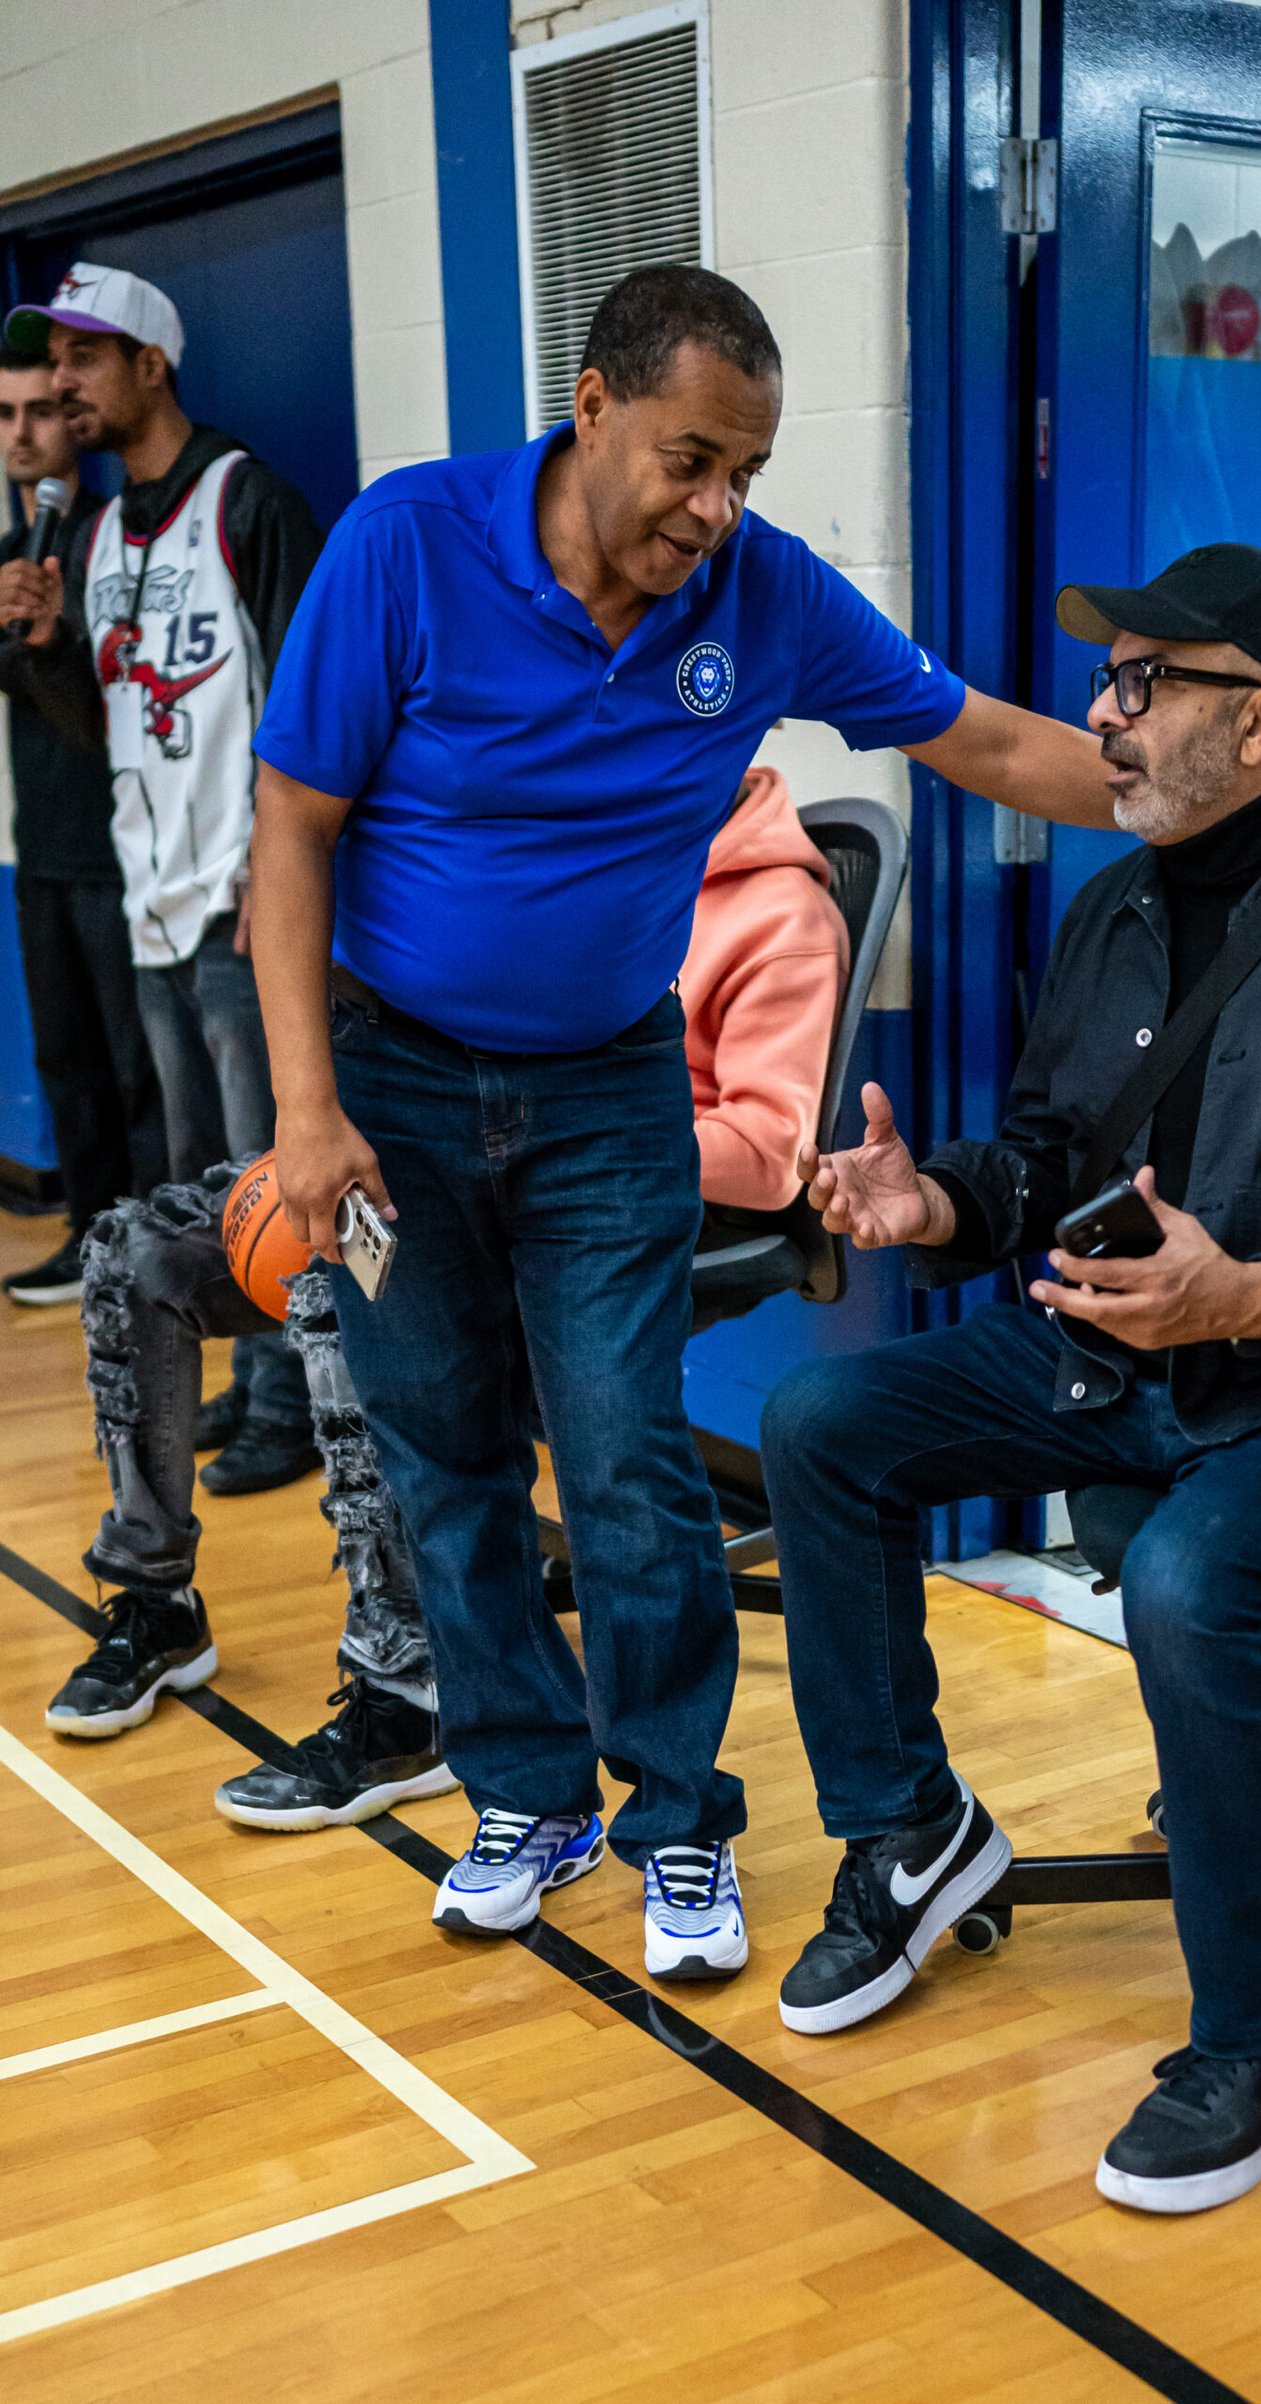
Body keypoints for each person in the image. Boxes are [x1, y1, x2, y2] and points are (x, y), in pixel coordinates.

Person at [247, 263, 1115, 1980]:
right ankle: (525, 1789)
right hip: (393, 1078)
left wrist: (1199, 788)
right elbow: (292, 826)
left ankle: (678, 1818)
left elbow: (990, 743)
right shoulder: (405, 546)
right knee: (445, 1454)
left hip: (606, 1084)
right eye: (692, 460)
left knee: (627, 1460)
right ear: (593, 409)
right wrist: (305, 1107)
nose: (716, 508)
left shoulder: (764, 595)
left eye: (747, 473)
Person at [760, 544, 1261, 2212]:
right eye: (1107, 680)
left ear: (1259, 717)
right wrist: (936, 1200)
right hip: (1120, 1351)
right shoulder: (1116, 906)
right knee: (823, 1424)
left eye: (1142, 681)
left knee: (1189, 1579)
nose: (1102, 716)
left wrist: (1248, 1293)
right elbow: (1051, 1159)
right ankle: (910, 1828)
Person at [48, 768, 850, 1857]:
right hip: (443, 1169)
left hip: (624, 1208)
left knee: (345, 1292)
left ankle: (407, 1688)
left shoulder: (779, 913)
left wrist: (557, 1142)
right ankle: (154, 1600)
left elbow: (764, 1154)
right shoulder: (562, 857)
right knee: (132, 1253)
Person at [0, 262, 321, 1491]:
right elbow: (105, 729)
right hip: (152, 905)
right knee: (206, 1185)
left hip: (244, 907)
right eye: (55, 361)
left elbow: (319, 706)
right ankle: (257, 1382)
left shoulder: (246, 500)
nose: (64, 383)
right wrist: (42, 649)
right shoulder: (92, 536)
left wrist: (283, 884)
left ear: (150, 366)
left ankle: (304, 1406)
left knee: (277, 1174)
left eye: (84, 359)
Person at [0, 341, 165, 1303]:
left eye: (39, 410)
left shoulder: (114, 541)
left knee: (138, 1066)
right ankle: (91, 1240)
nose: (22, 432)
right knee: (66, 1058)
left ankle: (154, 1244)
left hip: (124, 848)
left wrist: (50, 637)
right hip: (42, 853)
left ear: (73, 419)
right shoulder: (8, 559)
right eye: (5, 415)